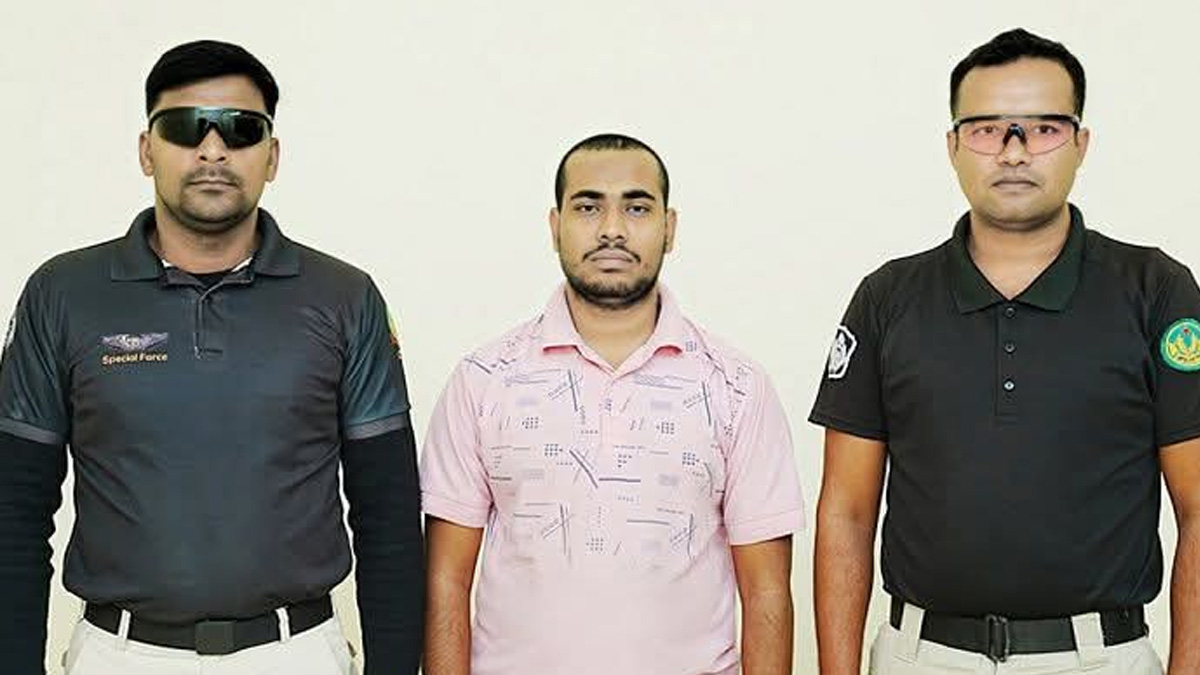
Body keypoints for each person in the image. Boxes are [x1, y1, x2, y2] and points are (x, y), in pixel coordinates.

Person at [0, 40, 423, 674]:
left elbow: (388, 514)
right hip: (118, 656)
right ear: (146, 150)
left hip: (297, 654)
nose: (213, 150)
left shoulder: (344, 298)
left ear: (272, 156)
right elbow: (14, 509)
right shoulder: (63, 294)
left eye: (241, 129)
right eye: (185, 127)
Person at [811, 28, 1200, 675]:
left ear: (1080, 143)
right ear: (953, 146)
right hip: (920, 658)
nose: (1014, 151)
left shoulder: (1156, 290)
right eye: (988, 129)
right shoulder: (887, 297)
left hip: (1100, 659)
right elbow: (846, 514)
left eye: (1043, 128)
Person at [420, 133, 805, 675]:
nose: (612, 229)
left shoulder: (737, 386)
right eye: (588, 207)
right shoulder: (483, 380)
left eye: (637, 207)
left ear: (670, 228)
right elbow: (445, 581)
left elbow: (766, 592)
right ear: (555, 226)